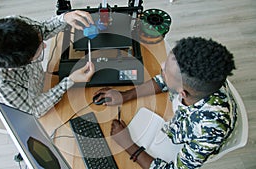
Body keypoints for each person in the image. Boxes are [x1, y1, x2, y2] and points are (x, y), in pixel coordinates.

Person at [93, 37, 237, 168]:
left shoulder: (207, 130)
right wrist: (125, 95)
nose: (161, 65)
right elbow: (166, 81)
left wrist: (128, 144)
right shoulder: (199, 79)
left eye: (165, 70)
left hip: (185, 144)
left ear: (182, 94)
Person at [0, 10, 95, 117]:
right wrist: (70, 81)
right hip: (28, 101)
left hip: (40, 81)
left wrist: (64, 18)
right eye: (38, 51)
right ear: (20, 65)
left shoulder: (16, 25)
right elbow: (35, 109)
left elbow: (43, 29)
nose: (44, 45)